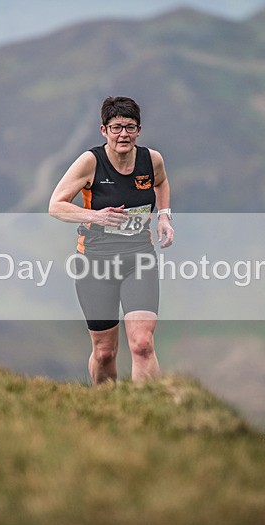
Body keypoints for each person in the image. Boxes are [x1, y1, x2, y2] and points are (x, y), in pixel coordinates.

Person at [49, 96, 174, 384]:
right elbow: (56, 205)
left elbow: (162, 182)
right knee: (105, 351)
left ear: (139, 130)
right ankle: (109, 412)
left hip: (138, 260)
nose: (123, 135)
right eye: (116, 127)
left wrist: (164, 216)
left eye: (130, 127)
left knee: (142, 344)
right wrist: (95, 216)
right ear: (104, 130)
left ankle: (150, 415)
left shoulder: (151, 159)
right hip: (95, 263)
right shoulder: (90, 162)